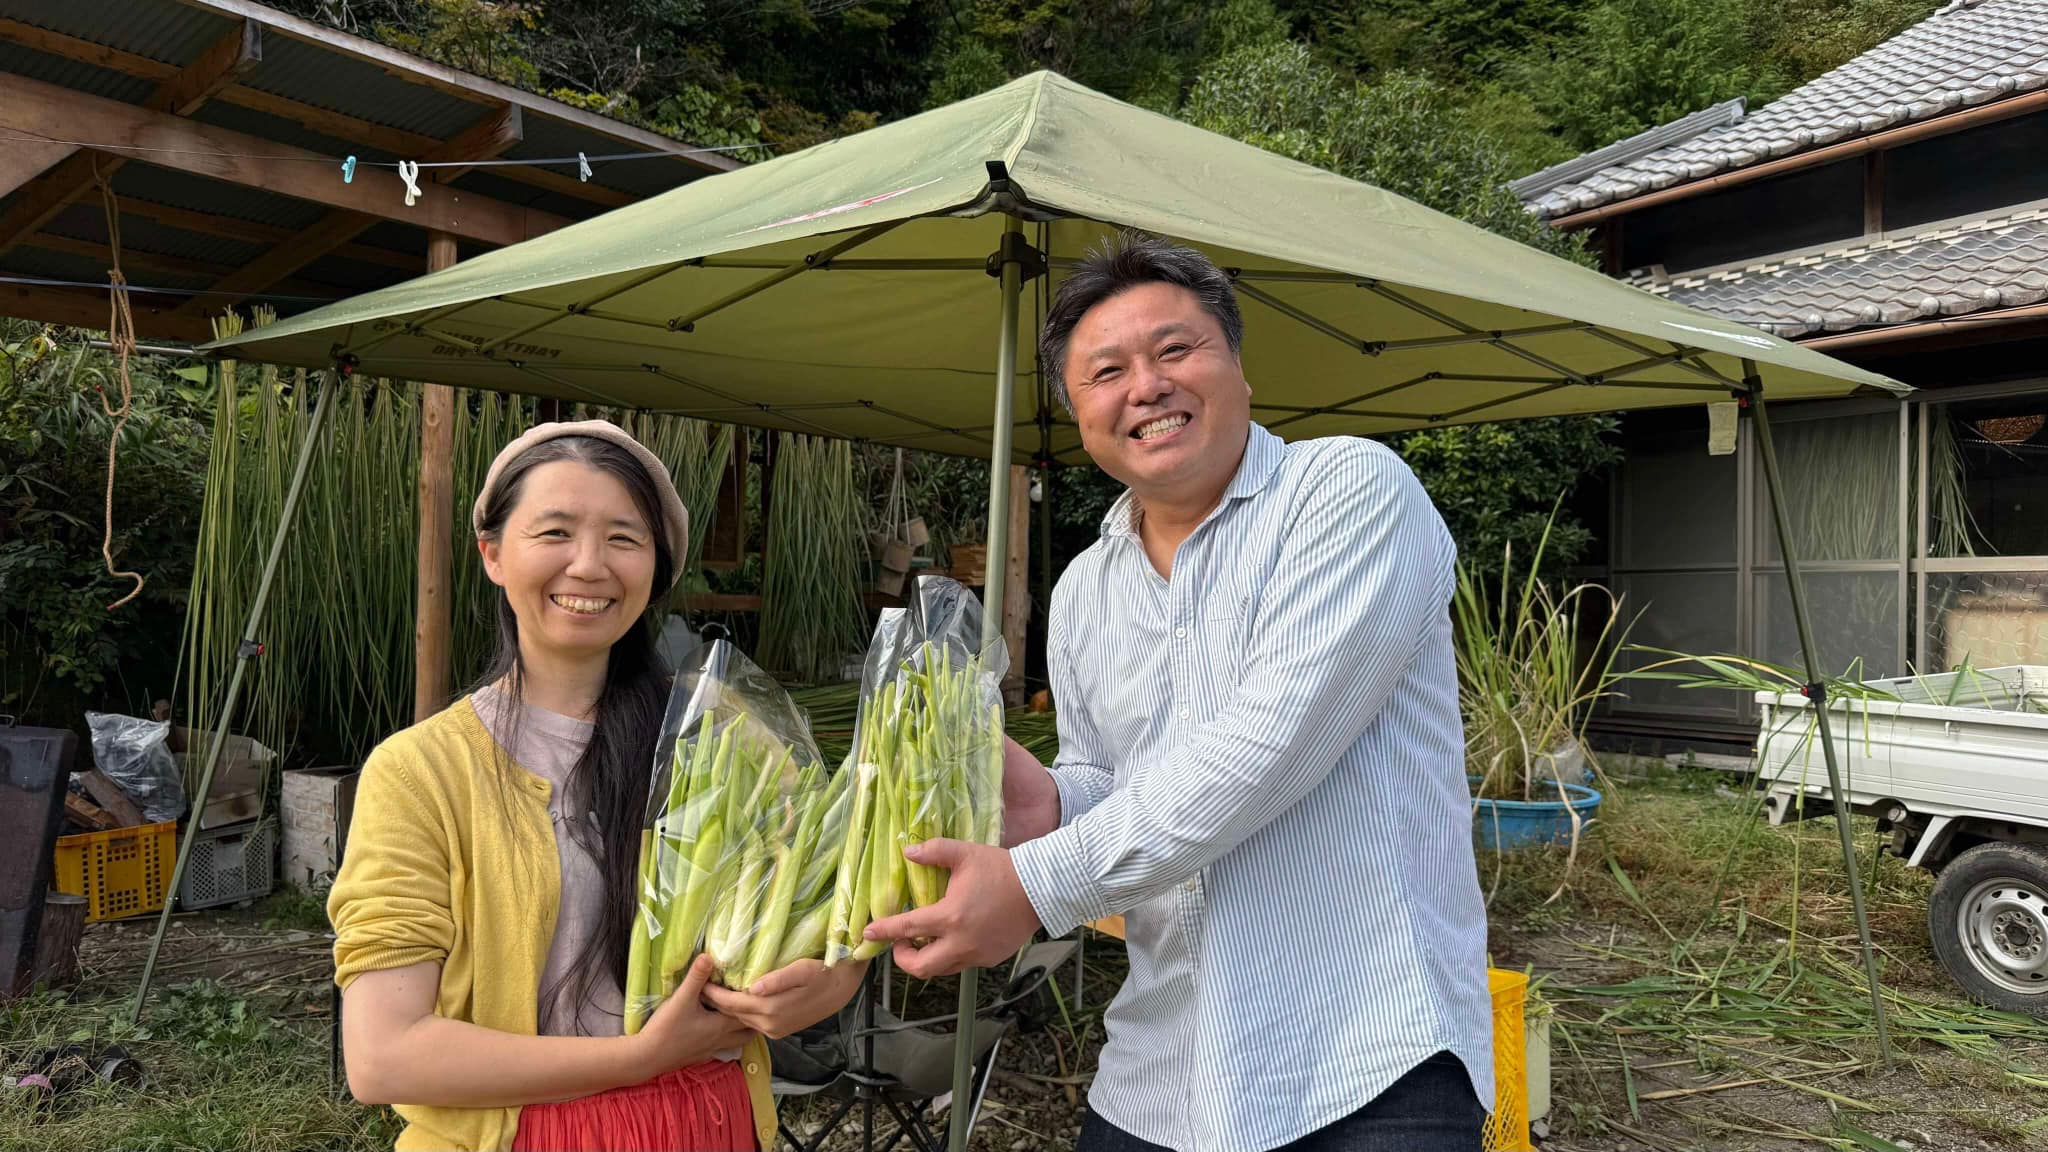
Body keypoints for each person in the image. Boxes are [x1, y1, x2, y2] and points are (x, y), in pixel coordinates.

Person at [864, 234, 1494, 1152]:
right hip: (1164, 1064)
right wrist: (1050, 801)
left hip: (1367, 1055)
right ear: (1079, 415)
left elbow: (1266, 750)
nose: (1145, 387)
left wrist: (1034, 888)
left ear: (1236, 365)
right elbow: (1114, 775)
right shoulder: (1084, 590)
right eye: (1105, 372)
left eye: (1174, 350)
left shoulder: (1348, 491)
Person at [328, 420, 869, 1151]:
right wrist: (639, 1058)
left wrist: (825, 986)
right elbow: (383, 1057)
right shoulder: (421, 772)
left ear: (655, 567)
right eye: (554, 532)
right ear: (492, 553)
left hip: (713, 1125)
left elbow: (823, 942)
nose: (588, 566)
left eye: (623, 538)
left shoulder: (729, 746)